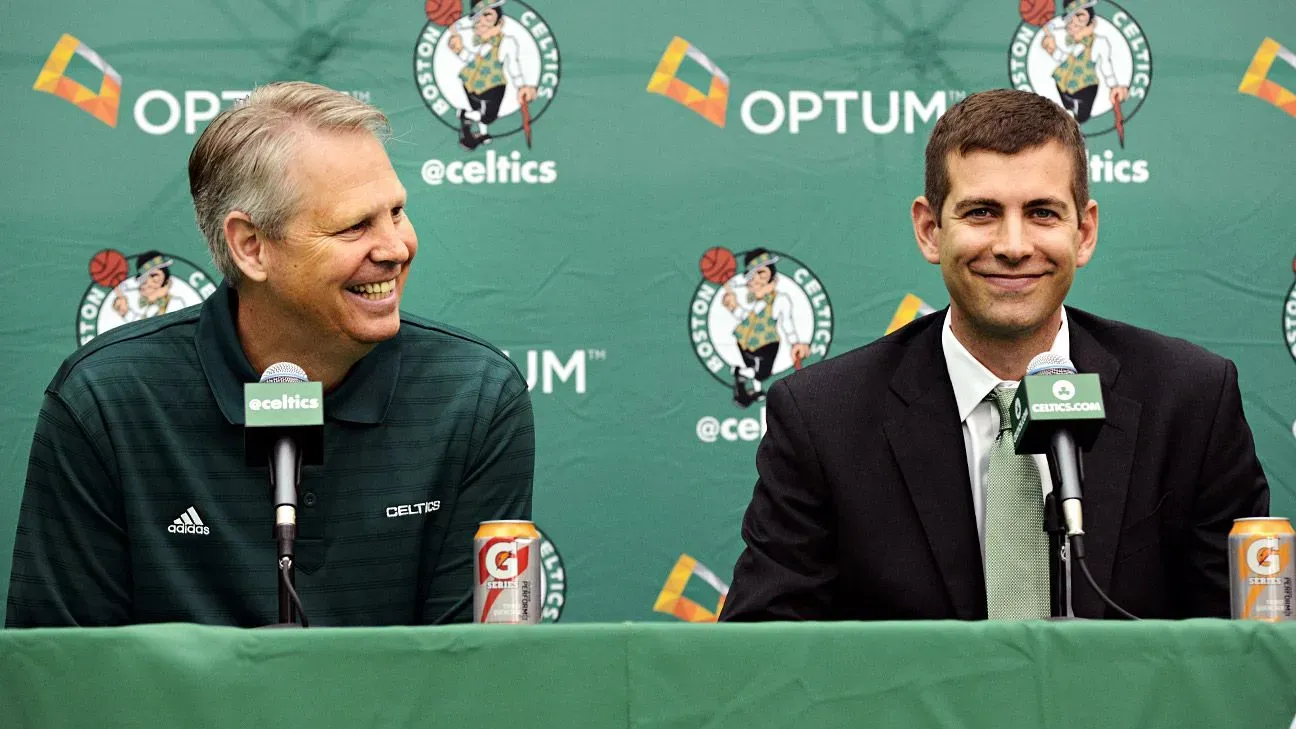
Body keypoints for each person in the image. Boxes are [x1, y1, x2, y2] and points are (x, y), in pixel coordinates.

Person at [719, 88, 1270, 622]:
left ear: (1085, 231)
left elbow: (1243, 656)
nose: (1012, 245)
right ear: (930, 230)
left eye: (1043, 213)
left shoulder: (1191, 401)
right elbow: (766, 658)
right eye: (982, 212)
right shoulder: (823, 418)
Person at [6, 82, 535, 628]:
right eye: (355, 225)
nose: (395, 248)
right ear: (252, 246)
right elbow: (60, 673)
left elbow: (477, 669)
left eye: (396, 212)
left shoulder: (473, 396)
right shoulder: (108, 403)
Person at [721, 248, 811, 407]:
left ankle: (745, 381)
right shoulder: (757, 303)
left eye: (759, 275)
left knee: (760, 373)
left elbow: (787, 323)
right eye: (751, 278)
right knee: (758, 372)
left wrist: (795, 343)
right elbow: (746, 318)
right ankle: (745, 380)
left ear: (769, 276)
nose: (753, 282)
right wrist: (733, 307)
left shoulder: (780, 300)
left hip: (765, 343)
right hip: (745, 341)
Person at [447, 0, 539, 151]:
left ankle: (481, 132)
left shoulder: (507, 42)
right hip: (474, 83)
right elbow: (472, 59)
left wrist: (521, 86)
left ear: (500, 22)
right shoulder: (478, 42)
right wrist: (459, 49)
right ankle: (466, 116)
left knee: (486, 115)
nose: (481, 21)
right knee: (486, 115)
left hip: (489, 84)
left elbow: (513, 65)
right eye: (477, 18)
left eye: (487, 15)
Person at [1040, 0, 1129, 123]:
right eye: (1070, 19)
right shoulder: (1070, 41)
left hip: (1085, 87)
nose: (1074, 22)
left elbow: (1105, 65)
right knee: (1067, 114)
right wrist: (1052, 49)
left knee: (1082, 117)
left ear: (1091, 21)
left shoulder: (1100, 42)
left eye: (1080, 16)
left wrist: (1113, 86)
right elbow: (1065, 59)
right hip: (1063, 85)